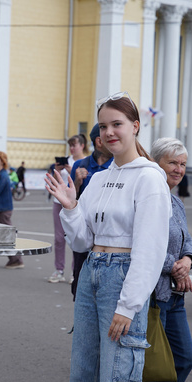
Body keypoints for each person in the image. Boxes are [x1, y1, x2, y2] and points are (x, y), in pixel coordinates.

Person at [45, 91, 171, 382]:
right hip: (91, 271)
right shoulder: (99, 180)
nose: (109, 132)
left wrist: (128, 305)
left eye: (117, 124)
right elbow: (82, 242)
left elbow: (150, 250)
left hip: (122, 275)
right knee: (83, 379)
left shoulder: (149, 178)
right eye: (103, 127)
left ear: (136, 126)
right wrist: (71, 207)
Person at [143, 137, 192, 382]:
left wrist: (187, 260)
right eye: (172, 162)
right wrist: (173, 267)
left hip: (176, 295)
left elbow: (187, 241)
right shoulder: (147, 196)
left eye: (183, 164)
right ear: (155, 163)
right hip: (153, 294)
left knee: (184, 358)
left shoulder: (176, 203)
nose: (178, 169)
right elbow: (141, 241)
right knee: (152, 367)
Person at [68, 125, 113, 298]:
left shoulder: (116, 166)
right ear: (99, 141)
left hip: (107, 234)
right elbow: (69, 201)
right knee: (80, 279)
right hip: (84, 232)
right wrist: (77, 182)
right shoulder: (81, 165)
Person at [49, 134, 89, 284]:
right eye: (70, 145)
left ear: (82, 146)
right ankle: (59, 270)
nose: (72, 148)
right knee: (59, 238)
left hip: (76, 202)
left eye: (74, 145)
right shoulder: (65, 160)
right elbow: (53, 183)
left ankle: (75, 270)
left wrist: (73, 171)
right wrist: (57, 170)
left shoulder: (84, 162)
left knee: (76, 237)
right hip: (58, 202)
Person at [0, 151, 24, 269]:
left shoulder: (3, 176)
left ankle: (16, 260)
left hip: (2, 209)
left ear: (3, 161)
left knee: (6, 236)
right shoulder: (1, 174)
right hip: (0, 209)